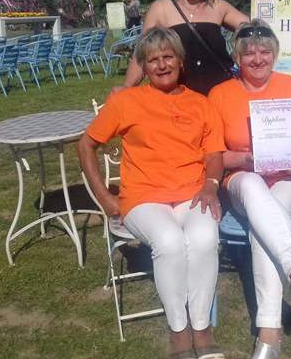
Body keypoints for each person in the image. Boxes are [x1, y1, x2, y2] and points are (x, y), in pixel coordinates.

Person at [78, 28, 226, 359]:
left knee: (204, 239)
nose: (161, 65)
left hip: (192, 193)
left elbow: (214, 154)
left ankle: (201, 326)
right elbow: (86, 145)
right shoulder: (125, 101)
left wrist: (211, 185)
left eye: (168, 57)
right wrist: (104, 197)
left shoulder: (201, 104)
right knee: (170, 242)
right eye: (152, 59)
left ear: (181, 61)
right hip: (143, 197)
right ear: (143, 67)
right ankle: (179, 331)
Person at [208, 20, 291, 358]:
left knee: (264, 224)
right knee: (253, 187)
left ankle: (269, 331)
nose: (258, 59)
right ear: (237, 57)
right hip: (243, 179)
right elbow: (215, 154)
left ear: (274, 54)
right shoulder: (220, 95)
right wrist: (247, 159)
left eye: (265, 51)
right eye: (249, 53)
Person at [121, 0, 291, 96]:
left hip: (222, 96)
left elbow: (257, 29)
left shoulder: (219, 6)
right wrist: (126, 89)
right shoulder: (160, 9)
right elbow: (141, 55)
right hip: (182, 99)